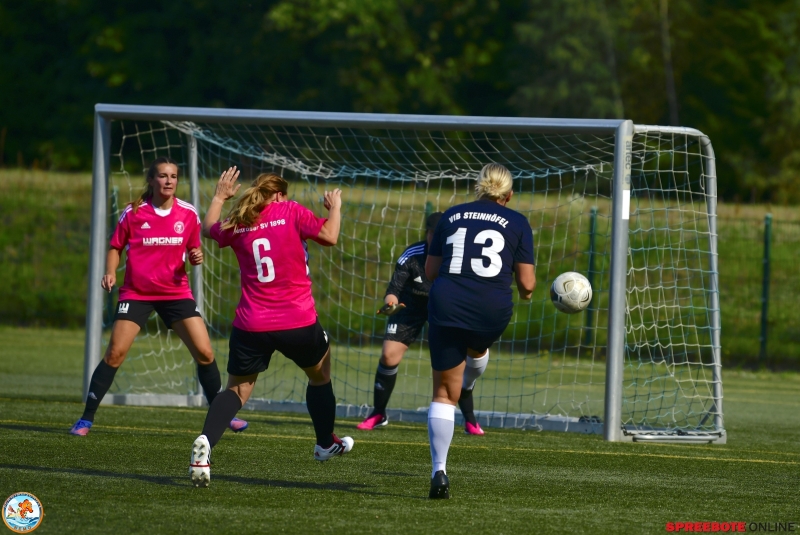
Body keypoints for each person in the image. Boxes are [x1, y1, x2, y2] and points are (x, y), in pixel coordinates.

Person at [189, 167, 353, 488]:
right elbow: (330, 237)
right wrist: (335, 209)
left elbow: (207, 228)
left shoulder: (241, 221)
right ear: (279, 194)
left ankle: (206, 443)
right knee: (319, 374)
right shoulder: (290, 211)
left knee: (237, 390)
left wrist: (220, 197)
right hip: (297, 320)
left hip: (251, 323)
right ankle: (324, 443)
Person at [70, 157, 248, 436]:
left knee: (205, 352)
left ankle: (222, 414)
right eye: (163, 176)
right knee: (115, 354)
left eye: (174, 176)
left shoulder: (188, 213)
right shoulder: (133, 212)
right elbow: (115, 247)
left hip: (175, 293)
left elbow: (193, 250)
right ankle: (86, 418)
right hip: (137, 293)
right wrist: (110, 272)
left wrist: (196, 256)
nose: (169, 181)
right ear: (151, 180)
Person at [423, 163, 536, 499]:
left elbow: (430, 272)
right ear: (509, 195)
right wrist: (527, 291)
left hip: (447, 304)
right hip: (491, 311)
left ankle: (439, 470)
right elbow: (527, 284)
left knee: (444, 393)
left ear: (478, 189)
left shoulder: (451, 215)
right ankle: (470, 381)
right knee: (476, 350)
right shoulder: (518, 221)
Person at [357, 212, 488, 436]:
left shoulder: (456, 257)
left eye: (440, 235)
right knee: (389, 355)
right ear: (427, 233)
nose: (434, 238)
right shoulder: (412, 254)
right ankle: (378, 413)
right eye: (431, 233)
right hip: (411, 308)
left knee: (459, 363)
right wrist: (391, 303)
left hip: (444, 309)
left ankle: (469, 419)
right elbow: (393, 291)